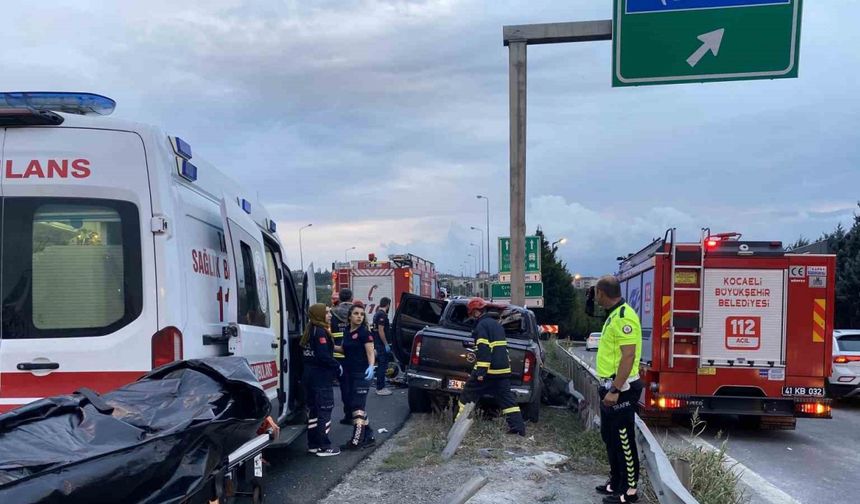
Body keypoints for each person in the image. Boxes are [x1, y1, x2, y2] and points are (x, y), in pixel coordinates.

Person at [593, 275, 644, 504]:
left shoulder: (625, 317)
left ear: (601, 293)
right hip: (610, 386)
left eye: (596, 293)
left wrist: (614, 389)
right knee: (610, 438)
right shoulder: (613, 315)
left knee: (624, 440)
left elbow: (629, 355)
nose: (595, 297)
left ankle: (629, 492)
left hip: (622, 388)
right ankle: (615, 483)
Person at [456, 297, 526, 436]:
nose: (471, 317)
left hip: (489, 371)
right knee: (508, 401)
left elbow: (484, 350)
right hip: (503, 370)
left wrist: (481, 372)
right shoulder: (497, 325)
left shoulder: (481, 326)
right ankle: (518, 429)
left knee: (467, 395)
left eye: (471, 314)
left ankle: (458, 426)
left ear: (476, 312)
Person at [300, 304, 342, 457]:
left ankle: (313, 444)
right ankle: (324, 446)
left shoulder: (310, 330)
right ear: (319, 315)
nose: (330, 315)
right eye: (327, 312)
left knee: (314, 411)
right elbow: (323, 356)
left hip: (309, 376)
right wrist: (337, 366)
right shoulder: (321, 332)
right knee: (325, 409)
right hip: (321, 377)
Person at [340, 302, 377, 450]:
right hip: (349, 373)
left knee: (358, 406)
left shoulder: (364, 333)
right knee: (351, 404)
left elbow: (370, 352)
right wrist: (327, 347)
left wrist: (371, 366)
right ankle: (370, 436)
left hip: (361, 374)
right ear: (349, 316)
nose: (359, 317)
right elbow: (343, 349)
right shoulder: (347, 331)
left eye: (362, 314)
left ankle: (356, 440)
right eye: (356, 314)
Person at [330, 288, 354, 425]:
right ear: (351, 298)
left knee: (344, 386)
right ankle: (357, 414)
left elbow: (328, 334)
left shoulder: (332, 313)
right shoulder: (357, 312)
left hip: (338, 355)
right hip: (355, 355)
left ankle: (348, 414)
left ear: (340, 298)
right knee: (356, 385)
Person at [372, 297, 393, 396]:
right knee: (382, 365)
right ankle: (380, 388)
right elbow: (381, 330)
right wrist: (385, 344)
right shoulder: (382, 315)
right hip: (380, 344)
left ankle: (381, 385)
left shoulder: (377, 313)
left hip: (377, 343)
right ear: (388, 304)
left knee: (382, 364)